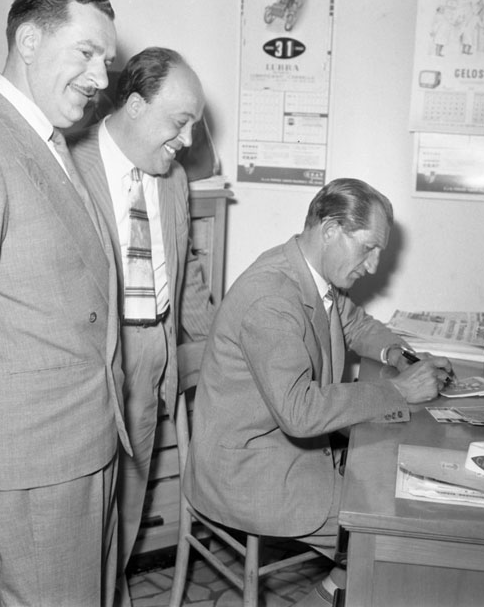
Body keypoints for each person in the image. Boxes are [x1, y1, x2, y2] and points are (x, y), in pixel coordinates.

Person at [0, 0, 130, 606]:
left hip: (83, 439)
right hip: (36, 456)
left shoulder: (47, 139)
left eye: (106, 60)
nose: (101, 77)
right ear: (28, 40)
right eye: (87, 53)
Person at [183, 178, 453, 606]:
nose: (374, 266)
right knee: (394, 525)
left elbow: (357, 325)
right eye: (368, 248)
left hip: (285, 450)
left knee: (392, 487)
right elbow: (301, 412)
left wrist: (400, 356)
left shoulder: (310, 274)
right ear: (330, 230)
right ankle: (345, 587)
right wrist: (399, 391)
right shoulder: (271, 298)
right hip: (248, 472)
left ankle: (332, 590)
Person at [70, 46, 215, 606]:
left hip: (152, 354)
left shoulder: (172, 177)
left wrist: (224, 346)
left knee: (127, 506)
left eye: (194, 125)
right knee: (82, 518)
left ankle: (112, 593)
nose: (188, 140)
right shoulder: (68, 161)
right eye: (179, 122)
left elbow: (186, 273)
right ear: (134, 105)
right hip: (91, 364)